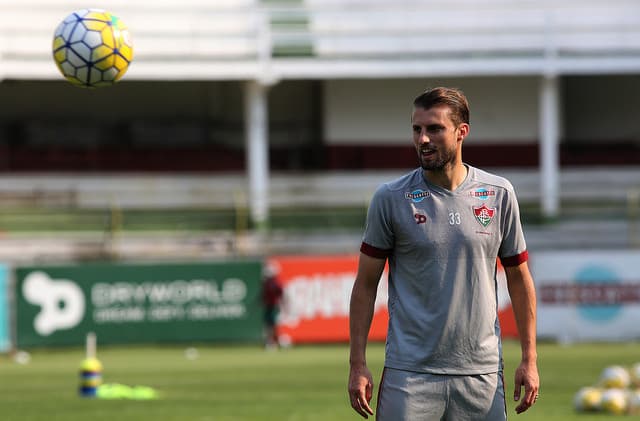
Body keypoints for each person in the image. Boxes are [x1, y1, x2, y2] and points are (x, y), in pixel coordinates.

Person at [348, 87, 539, 420]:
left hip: (481, 372)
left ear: (461, 132)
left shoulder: (498, 194)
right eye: (416, 129)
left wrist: (530, 359)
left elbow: (519, 279)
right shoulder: (390, 198)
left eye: (434, 129)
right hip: (409, 374)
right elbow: (365, 285)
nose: (423, 139)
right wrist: (357, 364)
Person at [262, 261, 284, 349]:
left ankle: (274, 342)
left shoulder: (273, 283)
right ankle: (271, 342)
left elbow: (280, 292)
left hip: (273, 306)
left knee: (273, 325)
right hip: (269, 306)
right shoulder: (267, 283)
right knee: (269, 325)